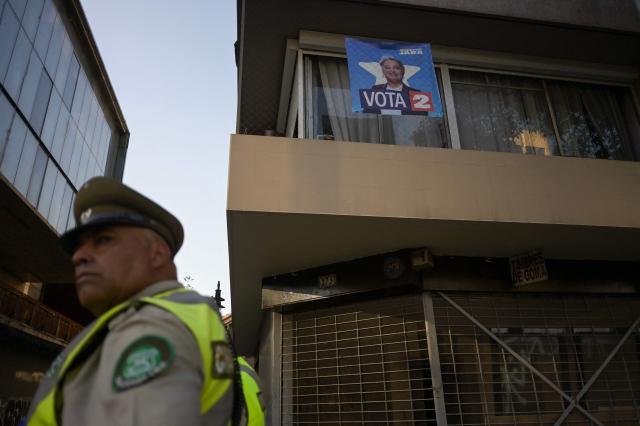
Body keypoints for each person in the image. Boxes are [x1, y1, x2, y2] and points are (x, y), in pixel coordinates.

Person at [25, 177, 264, 426]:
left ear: (157, 253)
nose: (79, 256)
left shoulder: (151, 325)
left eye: (103, 240)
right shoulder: (165, 319)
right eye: (77, 246)